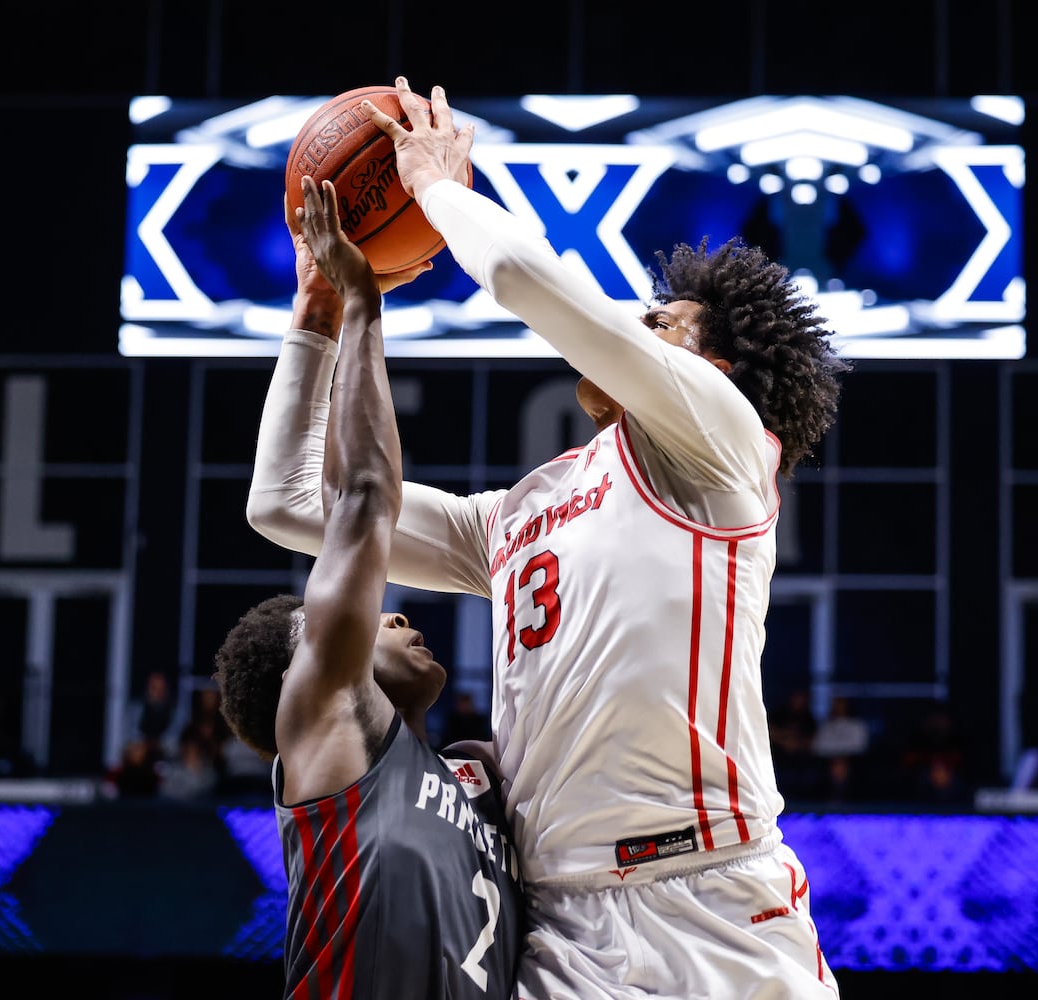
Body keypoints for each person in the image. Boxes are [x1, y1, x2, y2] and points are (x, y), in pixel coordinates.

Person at [247, 76, 847, 997]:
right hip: (561, 924)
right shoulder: (522, 510)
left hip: (717, 907)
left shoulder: (725, 447)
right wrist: (318, 316)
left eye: (661, 323)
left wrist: (440, 186)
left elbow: (525, 281)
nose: (634, 325)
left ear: (714, 372)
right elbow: (287, 505)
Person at [213, 175, 523, 999]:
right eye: (364, 616)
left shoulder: (469, 777)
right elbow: (360, 498)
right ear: (308, 668)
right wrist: (356, 305)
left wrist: (323, 301)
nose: (392, 611)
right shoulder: (325, 730)